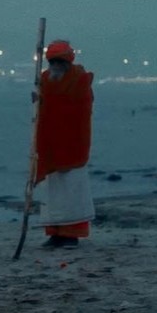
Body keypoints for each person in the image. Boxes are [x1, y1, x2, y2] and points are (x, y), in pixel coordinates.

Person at [34, 39, 95, 249]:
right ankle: (55, 232)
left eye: (60, 62)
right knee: (52, 193)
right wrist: (39, 100)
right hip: (50, 144)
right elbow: (45, 107)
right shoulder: (44, 79)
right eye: (53, 62)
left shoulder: (80, 80)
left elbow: (79, 110)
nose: (56, 66)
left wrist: (48, 102)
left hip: (72, 143)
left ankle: (71, 234)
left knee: (71, 191)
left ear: (68, 62)